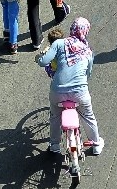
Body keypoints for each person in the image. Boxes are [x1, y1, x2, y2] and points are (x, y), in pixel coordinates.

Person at [36, 19, 104, 157]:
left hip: (58, 91)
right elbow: (87, 74)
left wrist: (38, 57)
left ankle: (54, 145)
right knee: (88, 116)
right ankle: (96, 144)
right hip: (79, 92)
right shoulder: (88, 51)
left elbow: (43, 62)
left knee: (55, 116)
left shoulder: (59, 43)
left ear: (72, 29)